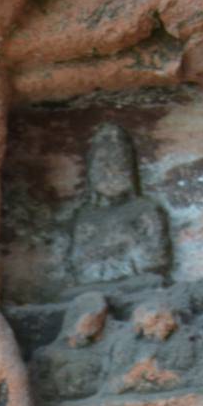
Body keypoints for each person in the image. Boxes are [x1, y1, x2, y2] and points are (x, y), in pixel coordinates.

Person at [71, 122, 171, 288]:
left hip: (139, 284)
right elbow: (79, 265)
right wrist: (105, 251)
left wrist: (130, 238)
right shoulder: (86, 216)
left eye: (118, 163)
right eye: (101, 165)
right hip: (95, 284)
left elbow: (157, 260)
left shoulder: (145, 209)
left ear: (131, 170)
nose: (109, 173)